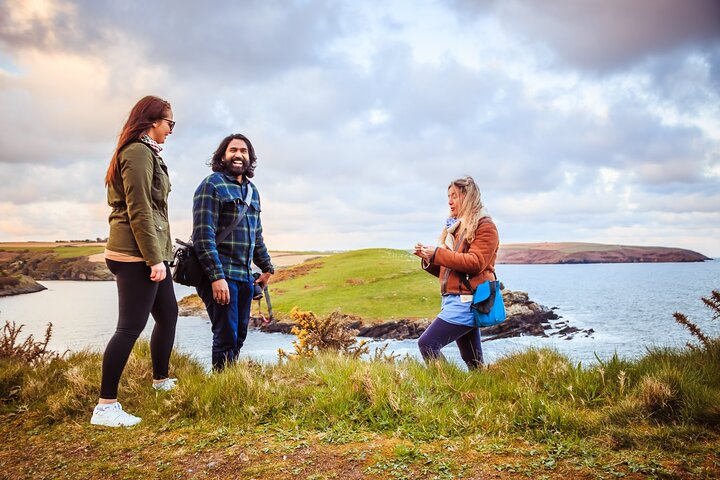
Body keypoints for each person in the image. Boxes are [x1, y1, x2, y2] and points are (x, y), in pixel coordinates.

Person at [91, 95, 179, 427]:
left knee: (169, 313)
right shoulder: (138, 153)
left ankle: (160, 380)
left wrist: (160, 257)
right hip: (136, 255)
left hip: (149, 252)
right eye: (170, 123)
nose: (171, 131)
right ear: (153, 121)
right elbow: (139, 209)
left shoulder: (147, 153)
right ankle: (105, 406)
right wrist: (154, 260)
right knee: (129, 327)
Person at [192, 133, 274, 371]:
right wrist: (216, 278)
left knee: (239, 335)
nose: (239, 155)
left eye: (244, 151)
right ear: (222, 156)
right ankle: (221, 386)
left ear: (250, 158)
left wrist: (267, 268)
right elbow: (202, 237)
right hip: (221, 275)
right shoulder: (211, 185)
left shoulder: (252, 191)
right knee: (225, 335)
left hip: (244, 276)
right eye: (233, 150)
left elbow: (256, 235)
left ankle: (229, 380)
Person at [413, 176, 499, 370]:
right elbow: (453, 271)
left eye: (455, 196)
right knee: (473, 361)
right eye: (448, 196)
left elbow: (475, 263)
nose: (450, 201)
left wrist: (438, 253)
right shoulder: (455, 230)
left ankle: (446, 388)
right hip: (455, 300)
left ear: (468, 197)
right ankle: (481, 394)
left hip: (467, 302)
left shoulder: (485, 227)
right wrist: (429, 259)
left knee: (427, 344)